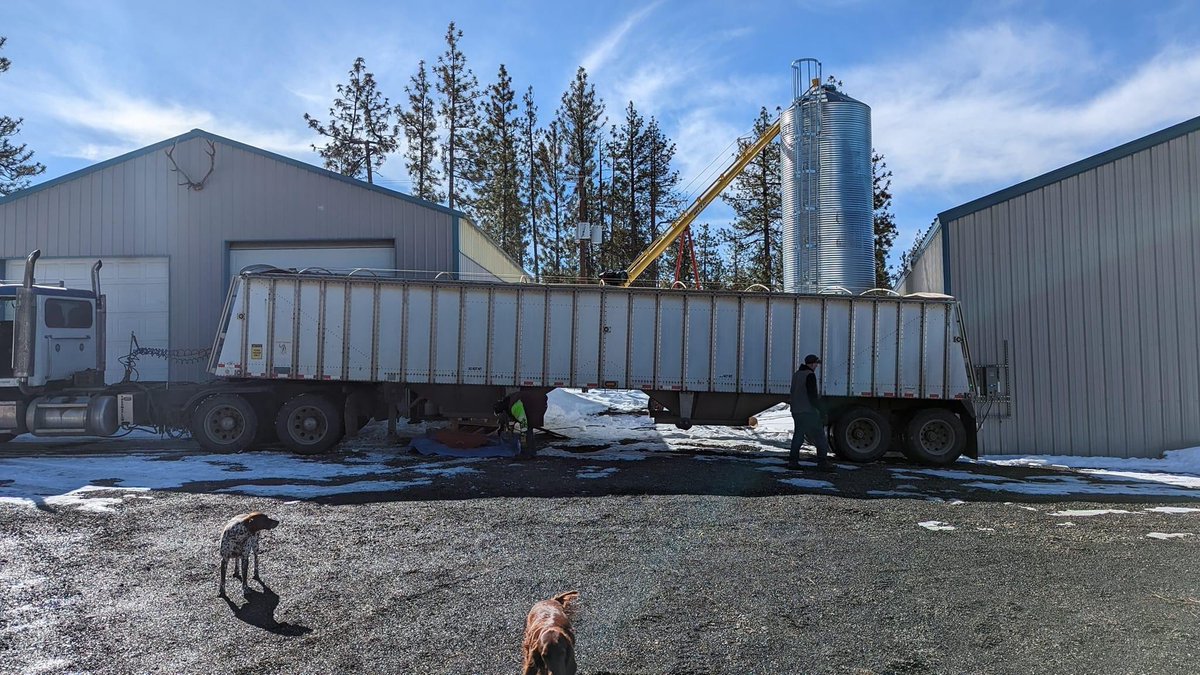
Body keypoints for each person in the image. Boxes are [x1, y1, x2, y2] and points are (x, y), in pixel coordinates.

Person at [790, 354, 834, 471]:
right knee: (820, 436)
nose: (817, 366)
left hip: (796, 410)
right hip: (808, 411)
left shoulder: (796, 375)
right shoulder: (810, 375)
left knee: (798, 436)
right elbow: (812, 396)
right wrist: (821, 410)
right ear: (812, 364)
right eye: (816, 364)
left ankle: (793, 462)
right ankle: (822, 462)